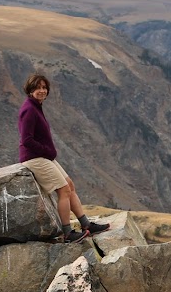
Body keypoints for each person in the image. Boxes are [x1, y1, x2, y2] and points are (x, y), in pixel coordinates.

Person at [17, 72, 110, 243]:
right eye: (38, 87)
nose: (42, 90)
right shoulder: (29, 110)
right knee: (64, 190)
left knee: (69, 185)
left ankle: (86, 224)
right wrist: (46, 151)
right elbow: (26, 140)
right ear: (30, 90)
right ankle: (68, 233)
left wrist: (47, 152)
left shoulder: (36, 106)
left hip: (43, 156)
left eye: (44, 87)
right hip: (34, 158)